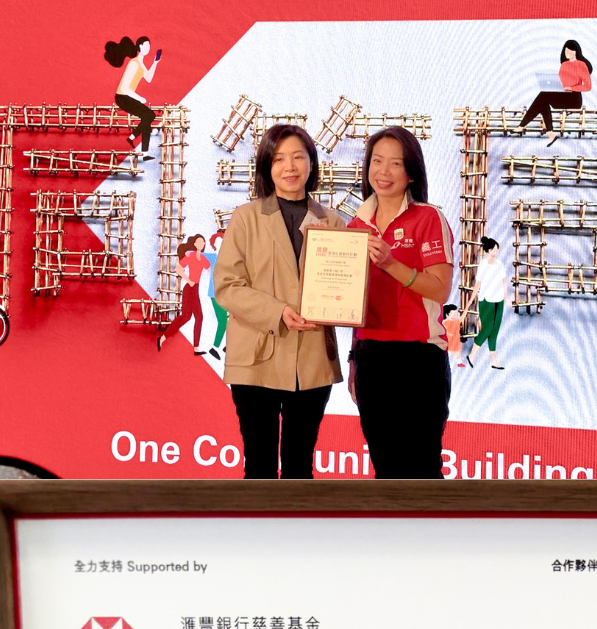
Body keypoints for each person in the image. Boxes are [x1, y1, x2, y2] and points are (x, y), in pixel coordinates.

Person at [213, 125, 344, 478]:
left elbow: (344, 289)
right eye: (279, 159)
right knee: (259, 467)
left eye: (298, 157)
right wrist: (278, 312)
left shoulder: (333, 222)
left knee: (300, 467)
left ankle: (296, 519)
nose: (290, 167)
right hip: (256, 357)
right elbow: (227, 286)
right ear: (266, 167)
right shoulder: (245, 217)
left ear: (311, 163)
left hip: (312, 359)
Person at [347, 126, 454, 478]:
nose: (384, 171)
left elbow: (440, 290)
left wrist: (391, 263)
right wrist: (353, 360)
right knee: (385, 469)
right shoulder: (355, 227)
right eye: (377, 161)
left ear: (411, 173)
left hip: (419, 358)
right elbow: (352, 303)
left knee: (422, 470)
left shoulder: (428, 218)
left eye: (395, 163)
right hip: (371, 357)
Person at [519, 39, 593, 138]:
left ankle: (522, 125)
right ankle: (550, 132)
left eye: (569, 51)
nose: (566, 53)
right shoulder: (564, 65)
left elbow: (588, 86)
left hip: (574, 99)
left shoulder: (581, 65)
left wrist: (572, 88)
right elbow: (561, 82)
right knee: (543, 100)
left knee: (543, 97)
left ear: (575, 51)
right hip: (563, 95)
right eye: (565, 51)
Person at [104, 36, 161, 157]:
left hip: (128, 97)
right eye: (146, 45)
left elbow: (149, 78)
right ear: (140, 46)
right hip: (122, 97)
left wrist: (155, 63)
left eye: (149, 46)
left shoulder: (141, 64)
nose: (148, 48)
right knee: (149, 115)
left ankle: (140, 148)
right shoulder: (134, 63)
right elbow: (124, 87)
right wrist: (140, 98)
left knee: (147, 117)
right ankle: (134, 140)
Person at [157, 235, 210, 355]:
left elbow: (211, 270)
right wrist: (189, 280)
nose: (201, 244)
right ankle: (195, 348)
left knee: (187, 317)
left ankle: (162, 339)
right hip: (189, 289)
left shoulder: (203, 258)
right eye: (199, 242)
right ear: (194, 244)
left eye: (203, 242)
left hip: (195, 288)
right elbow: (178, 269)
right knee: (196, 317)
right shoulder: (190, 256)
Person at [464, 238, 509, 370]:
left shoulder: (500, 264)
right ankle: (472, 355)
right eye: (494, 249)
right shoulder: (483, 264)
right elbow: (477, 284)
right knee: (487, 328)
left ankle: (494, 360)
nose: (496, 251)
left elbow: (504, 281)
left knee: (495, 330)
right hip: (486, 300)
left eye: (497, 249)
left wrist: (506, 298)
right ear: (488, 250)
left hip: (498, 300)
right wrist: (470, 302)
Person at [204, 229, 228, 359]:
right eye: (218, 243)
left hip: (226, 293)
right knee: (223, 321)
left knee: (231, 319)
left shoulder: (228, 258)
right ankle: (215, 347)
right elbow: (196, 255)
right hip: (215, 294)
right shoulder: (213, 257)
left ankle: (227, 345)